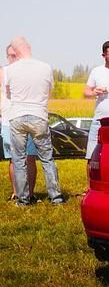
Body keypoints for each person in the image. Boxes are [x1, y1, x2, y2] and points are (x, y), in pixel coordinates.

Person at [4, 36, 63, 206]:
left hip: (17, 116)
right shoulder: (45, 67)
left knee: (19, 159)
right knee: (47, 158)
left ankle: (23, 200)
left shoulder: (11, 70)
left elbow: (8, 94)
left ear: (15, 50)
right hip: (39, 115)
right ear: (28, 47)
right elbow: (49, 91)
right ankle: (56, 197)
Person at [1, 45, 38, 201]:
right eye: (11, 55)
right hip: (8, 121)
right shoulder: (3, 72)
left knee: (29, 157)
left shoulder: (30, 72)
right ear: (7, 57)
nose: (13, 58)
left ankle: (29, 194)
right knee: (13, 158)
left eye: (16, 55)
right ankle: (16, 193)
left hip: (28, 118)